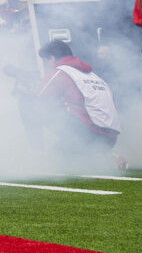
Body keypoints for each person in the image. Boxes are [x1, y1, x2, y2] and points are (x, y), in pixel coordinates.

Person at [20, 38, 124, 168]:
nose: (47, 65)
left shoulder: (59, 71)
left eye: (45, 61)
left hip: (87, 134)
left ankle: (36, 153)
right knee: (63, 152)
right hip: (110, 139)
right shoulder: (92, 75)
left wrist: (25, 90)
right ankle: (105, 154)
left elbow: (39, 100)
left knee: (27, 103)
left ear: (51, 58)